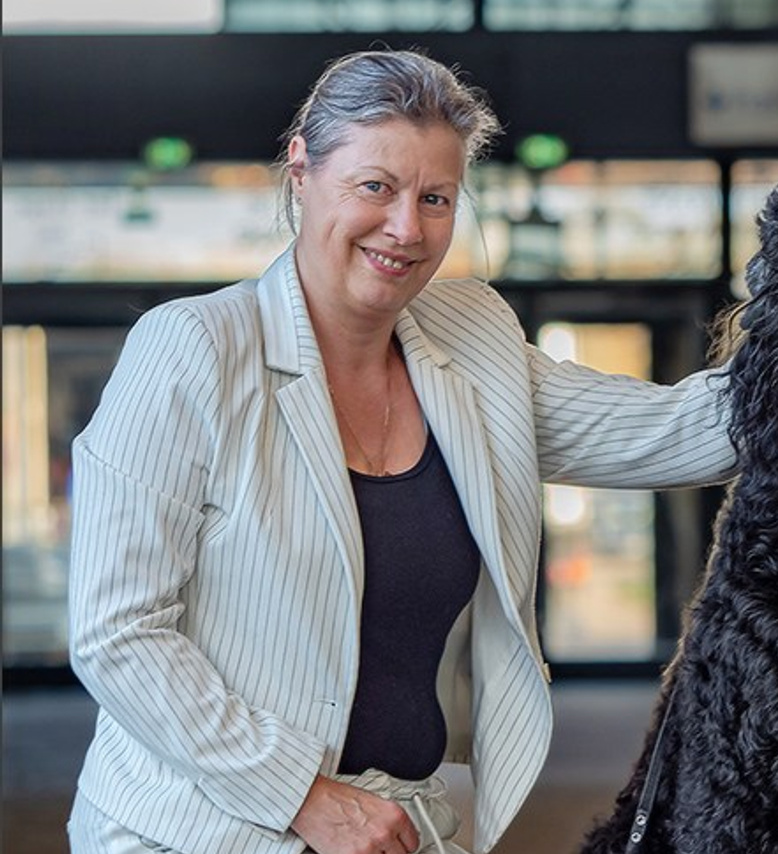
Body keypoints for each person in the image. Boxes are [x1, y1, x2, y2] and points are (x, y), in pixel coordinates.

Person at [65, 49, 737, 854]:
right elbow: (119, 631)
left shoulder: (474, 342)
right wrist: (304, 795)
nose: (407, 229)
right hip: (194, 831)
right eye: (376, 187)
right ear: (302, 171)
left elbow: (673, 432)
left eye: (435, 199)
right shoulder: (193, 350)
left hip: (398, 824)